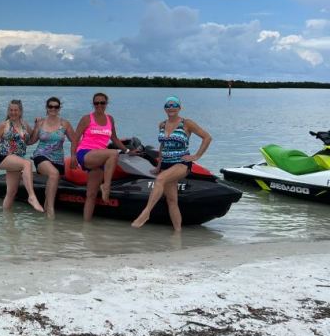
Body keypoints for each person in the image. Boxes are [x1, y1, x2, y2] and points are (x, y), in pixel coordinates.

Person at [131, 96, 212, 231]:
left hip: (181, 163)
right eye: (168, 105)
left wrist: (196, 156)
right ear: (165, 109)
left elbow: (207, 137)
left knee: (160, 180)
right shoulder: (162, 125)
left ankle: (146, 213)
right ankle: (177, 234)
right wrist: (158, 165)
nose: (171, 107)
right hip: (165, 164)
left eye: (174, 105)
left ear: (179, 108)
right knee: (172, 201)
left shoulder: (187, 123)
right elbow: (163, 145)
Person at [71, 92, 134, 221]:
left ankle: (86, 227)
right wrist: (72, 156)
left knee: (92, 195)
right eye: (96, 103)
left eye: (102, 103)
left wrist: (127, 150)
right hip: (85, 153)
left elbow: (114, 139)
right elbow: (75, 138)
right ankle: (106, 186)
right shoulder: (86, 118)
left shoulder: (110, 119)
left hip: (100, 157)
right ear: (93, 104)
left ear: (106, 104)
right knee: (113, 153)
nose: (99, 105)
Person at [0, 99, 45, 212]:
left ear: (20, 111)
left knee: (11, 192)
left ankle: (7, 222)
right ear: (8, 111)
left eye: (15, 110)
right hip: (3, 156)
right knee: (27, 163)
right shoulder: (4, 125)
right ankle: (32, 197)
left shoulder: (24, 125)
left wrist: (37, 126)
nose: (13, 112)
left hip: (16, 160)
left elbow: (30, 141)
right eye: (11, 110)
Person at [28, 97, 77, 218]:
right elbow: (31, 141)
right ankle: (51, 210)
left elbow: (75, 140)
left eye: (56, 106)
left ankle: (45, 221)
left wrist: (74, 156)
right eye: (51, 106)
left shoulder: (65, 124)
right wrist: (30, 128)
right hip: (41, 155)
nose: (53, 109)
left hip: (58, 159)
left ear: (59, 108)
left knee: (52, 181)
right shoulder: (40, 123)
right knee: (54, 174)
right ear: (47, 108)